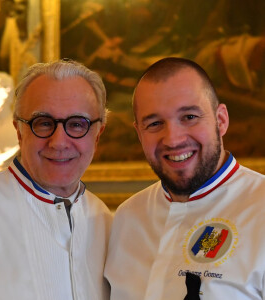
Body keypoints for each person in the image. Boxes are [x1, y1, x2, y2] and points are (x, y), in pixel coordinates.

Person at [104, 57, 265, 299]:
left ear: (221, 120)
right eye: (155, 123)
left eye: (189, 117)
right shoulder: (126, 218)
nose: (173, 139)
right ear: (139, 133)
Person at [0, 59, 112, 300]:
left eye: (77, 124)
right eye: (43, 123)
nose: (59, 142)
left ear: (98, 135)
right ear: (19, 132)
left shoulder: (106, 221)